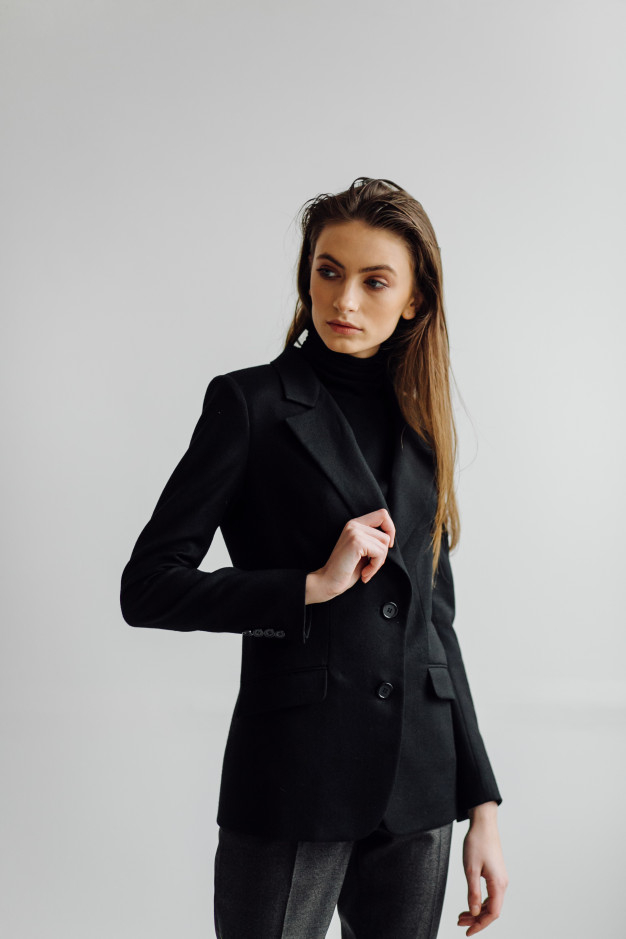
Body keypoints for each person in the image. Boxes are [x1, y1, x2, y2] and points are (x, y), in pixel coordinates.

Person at [120, 176, 508, 938]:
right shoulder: (250, 405)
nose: (345, 301)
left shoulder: (424, 431)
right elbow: (148, 586)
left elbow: (436, 628)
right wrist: (308, 585)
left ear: (414, 301)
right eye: (328, 271)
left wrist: (482, 807)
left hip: (418, 789)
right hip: (293, 775)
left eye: (374, 281)